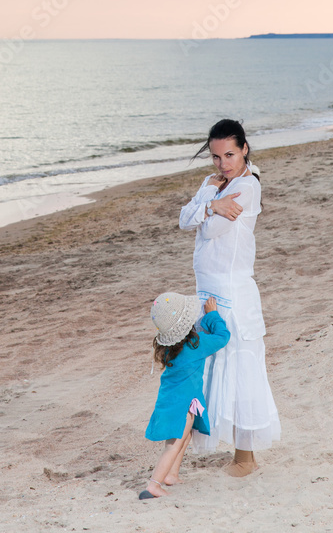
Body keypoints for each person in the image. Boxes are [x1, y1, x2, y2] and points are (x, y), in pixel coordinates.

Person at [179, 118, 280, 476]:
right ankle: (235, 452)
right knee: (214, 369)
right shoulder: (215, 184)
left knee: (240, 370)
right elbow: (183, 219)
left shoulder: (247, 186)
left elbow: (210, 229)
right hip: (208, 290)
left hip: (231, 293)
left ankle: (245, 458)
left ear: (244, 150)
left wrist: (207, 208)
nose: (223, 164)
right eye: (216, 157)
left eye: (230, 154)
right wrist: (209, 202)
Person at [140, 292, 230, 499]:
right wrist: (212, 315)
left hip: (171, 401)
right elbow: (222, 337)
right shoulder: (194, 345)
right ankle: (154, 485)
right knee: (173, 444)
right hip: (182, 405)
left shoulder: (170, 348)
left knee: (185, 436)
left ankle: (171, 475)